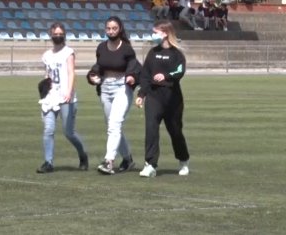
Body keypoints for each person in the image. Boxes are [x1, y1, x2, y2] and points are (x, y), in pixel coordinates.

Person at [135, 20, 191, 178]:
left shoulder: (177, 54)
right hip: (154, 97)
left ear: (165, 33)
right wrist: (141, 94)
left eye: (156, 32)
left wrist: (165, 76)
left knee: (175, 131)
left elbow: (179, 71)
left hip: (172, 98)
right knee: (151, 129)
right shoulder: (152, 53)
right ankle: (150, 164)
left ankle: (183, 160)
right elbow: (145, 75)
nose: (153, 35)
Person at [86, 16, 141, 175]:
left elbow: (133, 66)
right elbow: (98, 66)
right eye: (108, 28)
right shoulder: (101, 47)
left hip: (121, 88)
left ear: (120, 29)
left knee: (114, 124)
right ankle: (128, 159)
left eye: (114, 28)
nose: (111, 31)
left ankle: (108, 161)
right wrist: (93, 75)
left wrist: (131, 77)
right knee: (112, 126)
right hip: (105, 88)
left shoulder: (127, 49)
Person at [36, 22, 89, 174]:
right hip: (51, 96)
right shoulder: (46, 55)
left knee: (69, 132)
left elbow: (71, 72)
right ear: (51, 35)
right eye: (55, 34)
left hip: (66, 97)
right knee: (48, 129)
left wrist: (69, 91)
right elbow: (48, 74)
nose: (58, 36)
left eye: (60, 34)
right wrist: (44, 88)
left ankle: (82, 154)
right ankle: (48, 162)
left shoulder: (68, 52)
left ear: (64, 35)